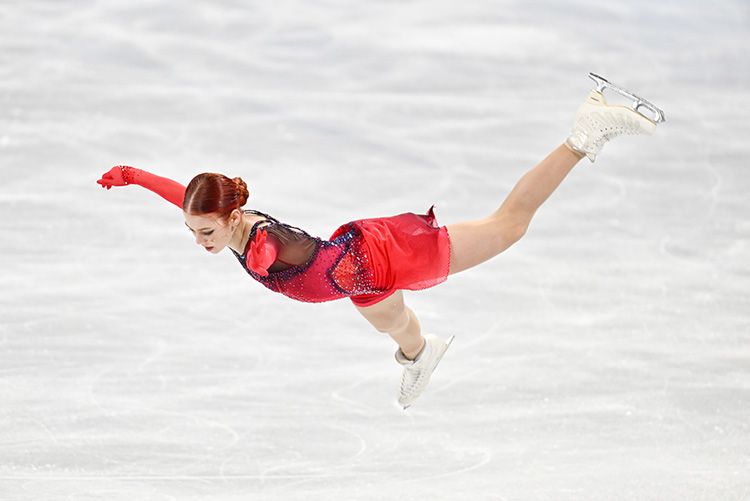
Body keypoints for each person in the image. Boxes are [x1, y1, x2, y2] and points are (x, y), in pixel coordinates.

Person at [97, 73, 664, 409]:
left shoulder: (263, 238)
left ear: (234, 214)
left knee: (509, 224)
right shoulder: (225, 222)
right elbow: (183, 196)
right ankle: (419, 355)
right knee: (402, 330)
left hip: (377, 258)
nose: (198, 241)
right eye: (193, 231)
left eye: (205, 231)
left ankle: (585, 131)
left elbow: (303, 255)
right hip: (362, 281)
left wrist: (279, 256)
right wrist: (135, 176)